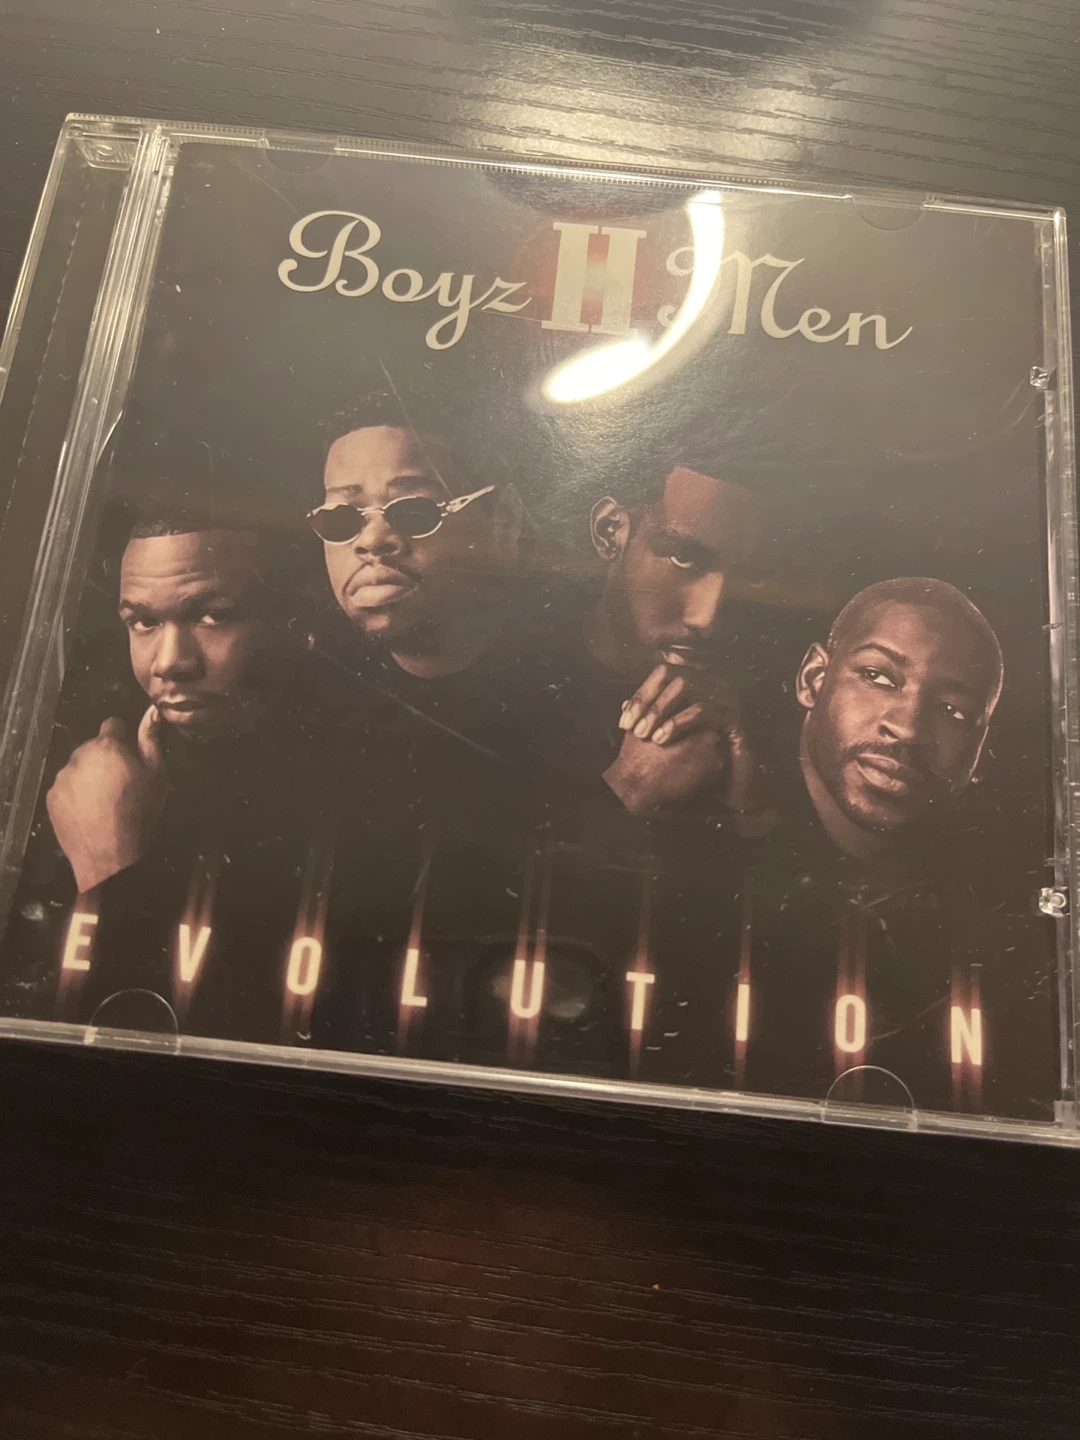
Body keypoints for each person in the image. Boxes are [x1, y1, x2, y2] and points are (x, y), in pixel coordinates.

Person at [745, 577, 1009, 1111]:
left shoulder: (993, 918)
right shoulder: (711, 815)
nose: (908, 728)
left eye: (953, 710)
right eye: (878, 677)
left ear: (981, 750)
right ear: (813, 679)